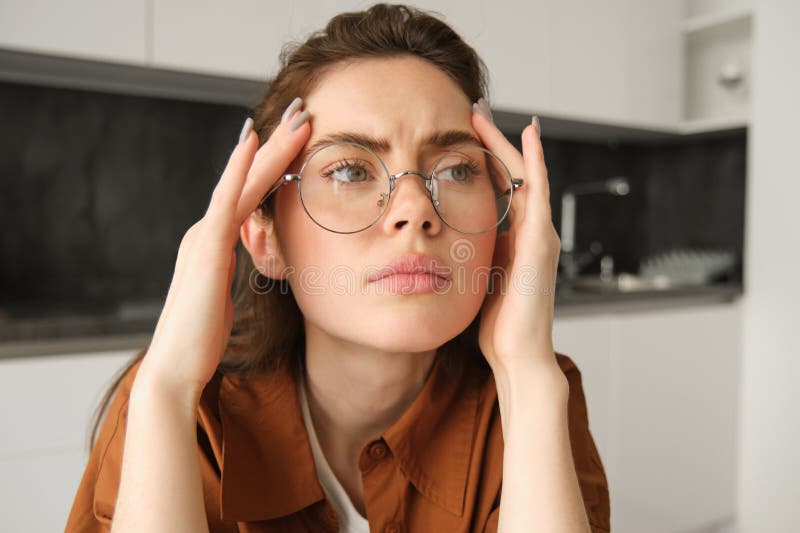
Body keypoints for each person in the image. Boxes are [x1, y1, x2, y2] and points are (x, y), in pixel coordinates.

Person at [65, 3, 610, 532]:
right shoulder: (180, 406)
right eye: (350, 170)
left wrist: (527, 379)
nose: (417, 209)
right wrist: (166, 389)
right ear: (264, 238)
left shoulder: (535, 389)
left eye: (457, 169)